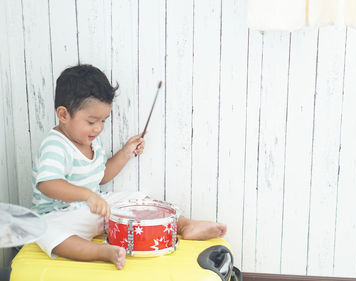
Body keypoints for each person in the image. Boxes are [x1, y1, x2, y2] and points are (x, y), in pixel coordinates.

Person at [32, 64, 227, 270]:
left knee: (137, 199)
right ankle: (102, 252)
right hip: (60, 216)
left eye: (103, 120)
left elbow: (101, 175)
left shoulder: (91, 141)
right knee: (46, 231)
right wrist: (87, 196)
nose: (98, 128)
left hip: (95, 209)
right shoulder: (55, 145)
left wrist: (126, 153)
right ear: (63, 115)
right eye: (91, 121)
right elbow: (48, 184)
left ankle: (184, 224)